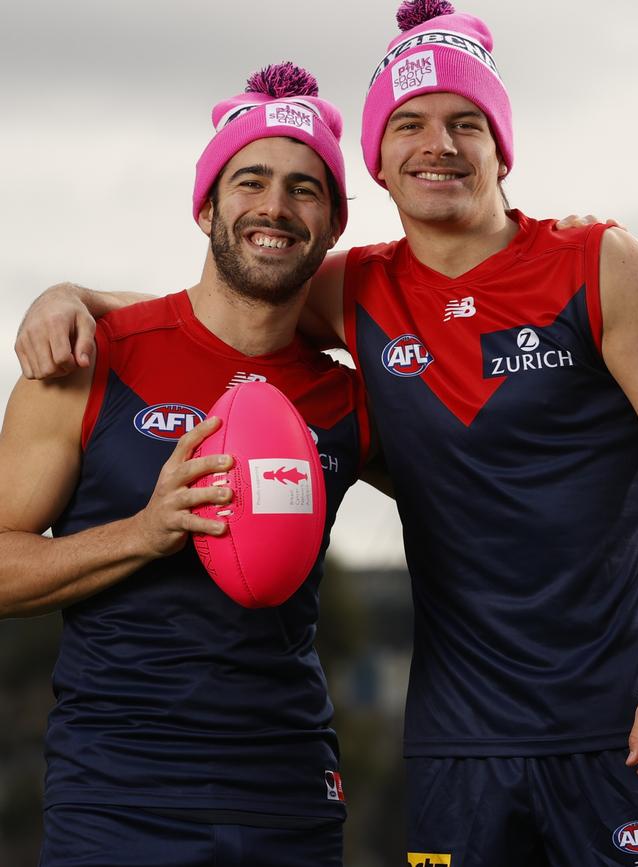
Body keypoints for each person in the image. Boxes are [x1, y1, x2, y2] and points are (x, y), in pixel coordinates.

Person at [15, 3, 638, 866]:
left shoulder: (585, 270)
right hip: (392, 756)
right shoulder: (335, 299)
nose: (440, 144)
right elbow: (221, 311)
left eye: (468, 122)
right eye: (410, 124)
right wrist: (73, 296)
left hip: (574, 736)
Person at [0, 62, 374, 867]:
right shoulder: (88, 360)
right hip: (119, 794)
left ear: (334, 226)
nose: (275, 207)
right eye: (251, 181)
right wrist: (143, 532)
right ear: (206, 205)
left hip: (291, 794)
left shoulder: (350, 399)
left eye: (305, 189)